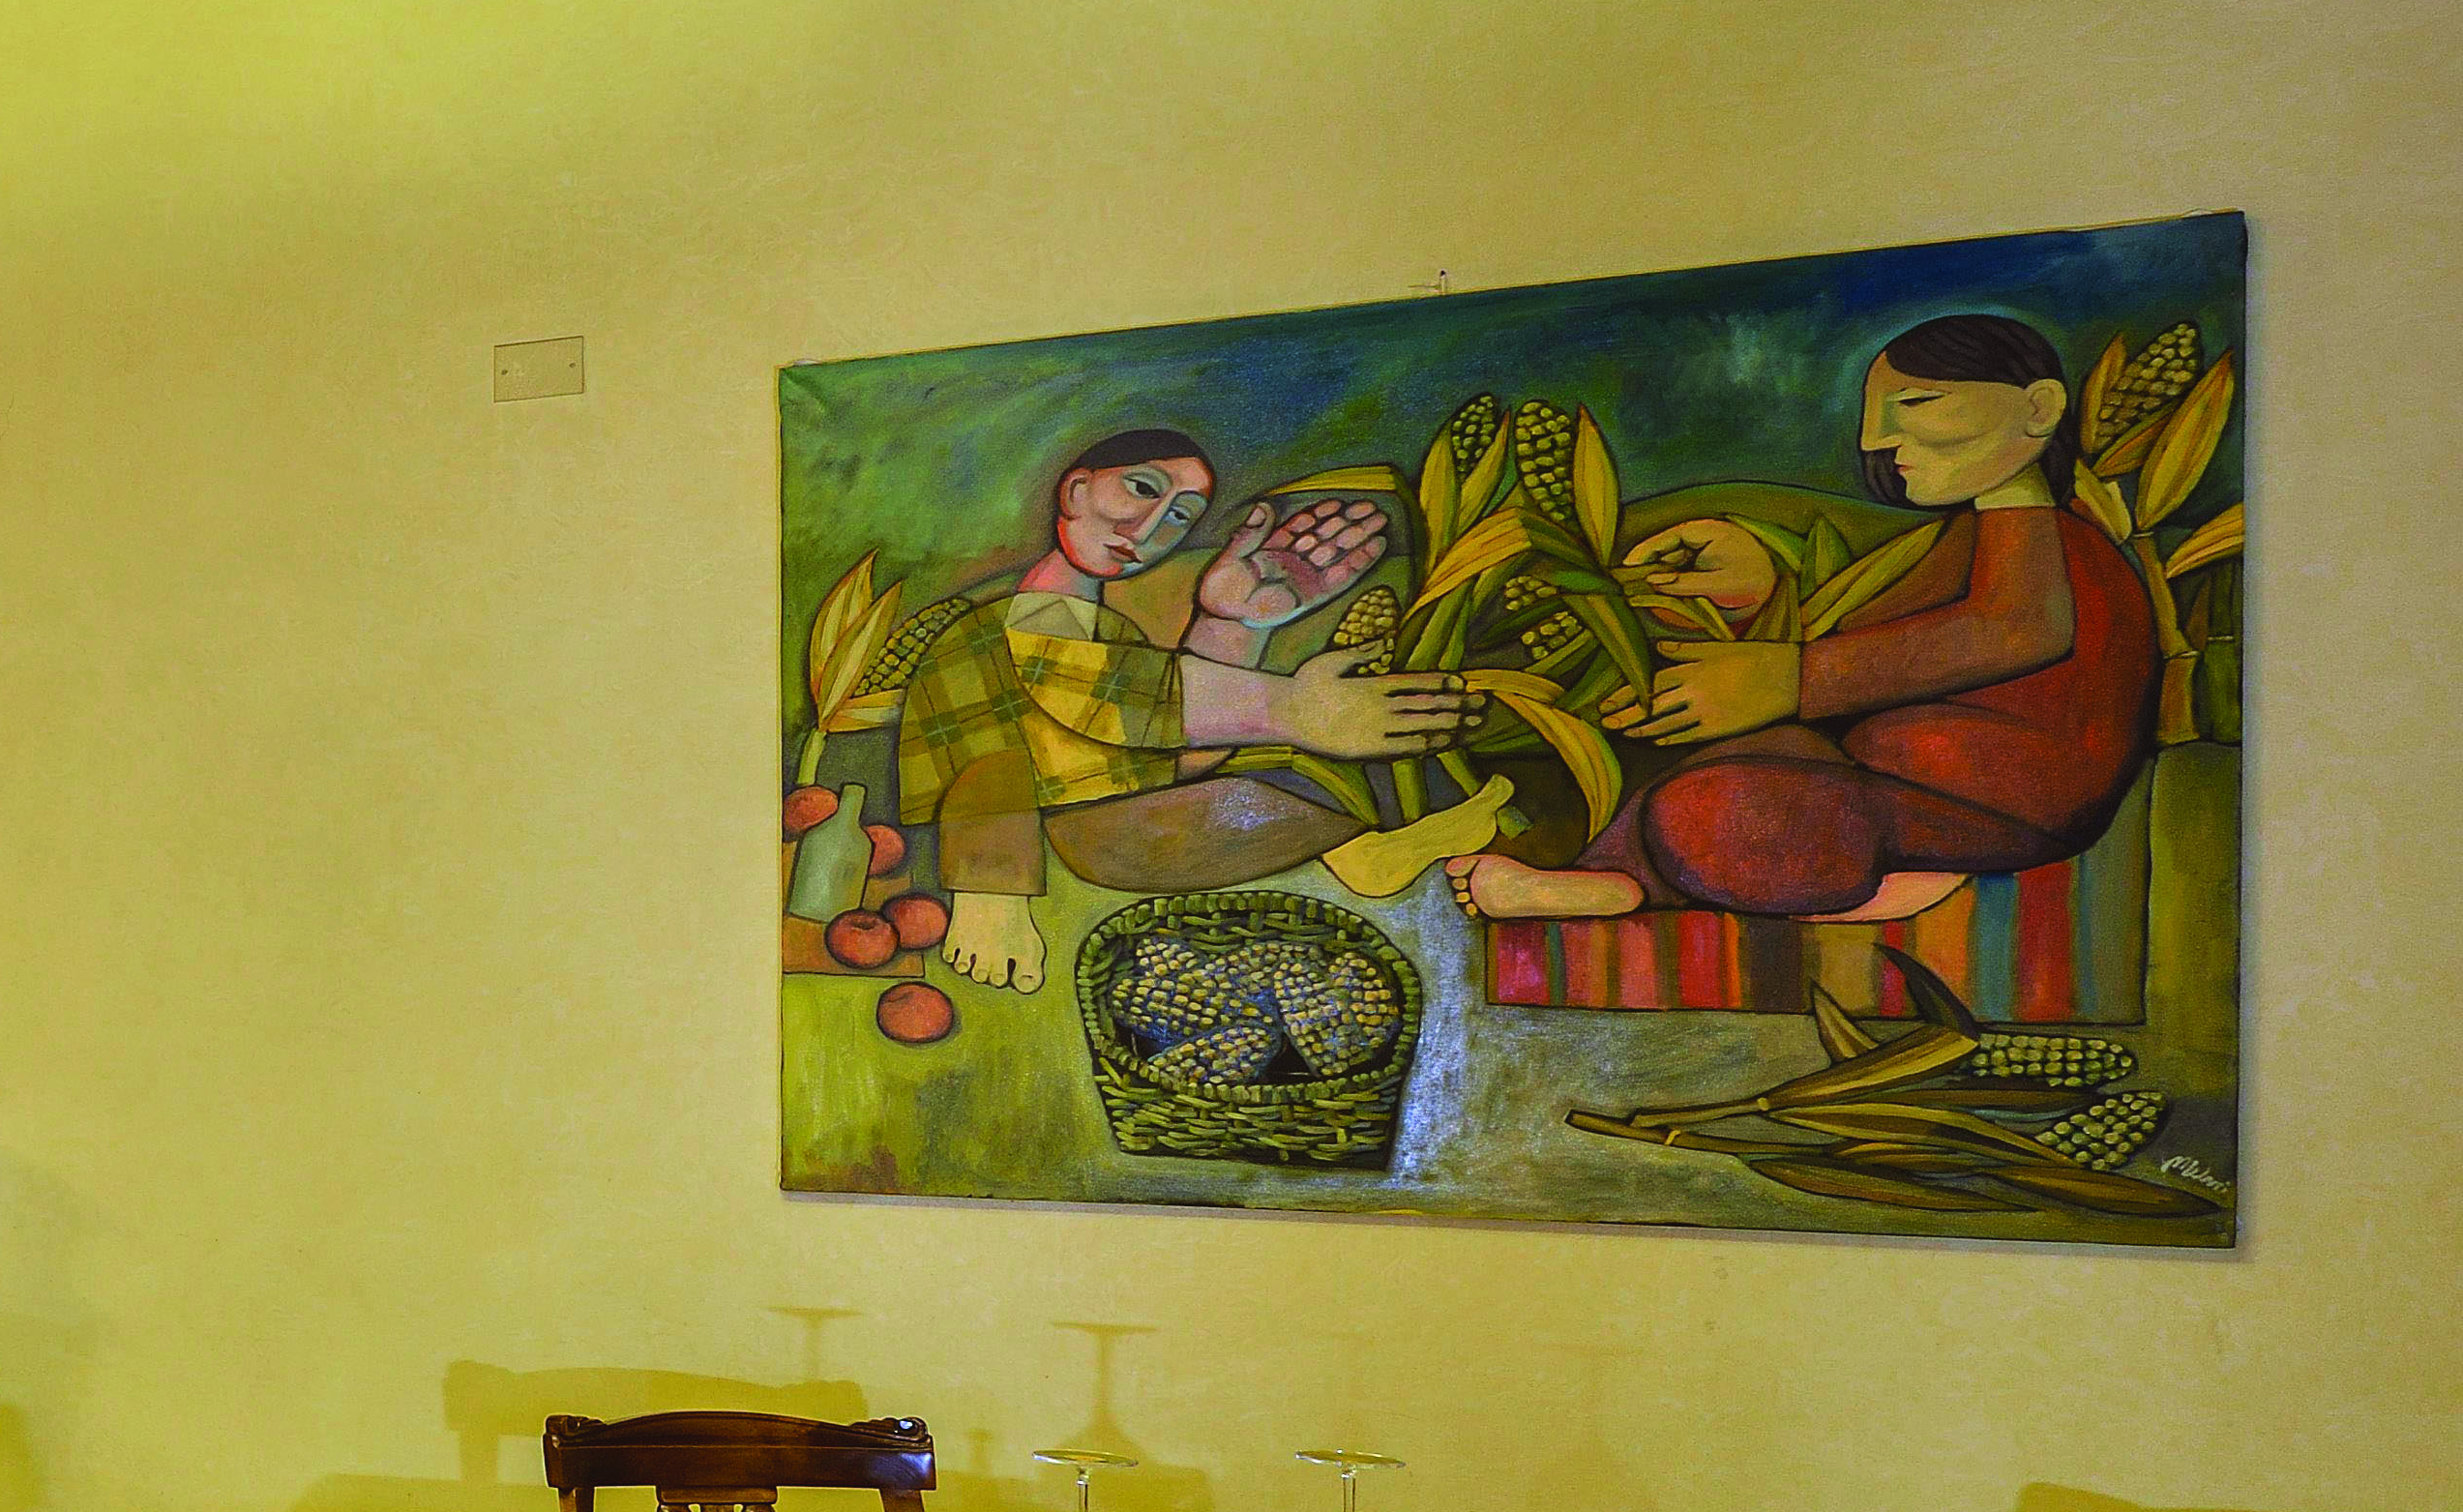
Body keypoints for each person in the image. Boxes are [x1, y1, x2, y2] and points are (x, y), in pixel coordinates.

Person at [1445, 313, 2158, 927]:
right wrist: (1760, 594)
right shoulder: (1971, 536)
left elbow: (2018, 630)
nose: (1878, 441)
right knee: (1747, 757)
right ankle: (1612, 874)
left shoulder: (2034, 531)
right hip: (1901, 767)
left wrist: (1796, 677)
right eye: (1876, 415)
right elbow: (1889, 632)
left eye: (1915, 402)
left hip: (1996, 795)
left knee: (1730, 810)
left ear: (2038, 409)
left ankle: (1663, 885)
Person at [911, 426, 1487, 993]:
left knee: (1232, 802)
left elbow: (1164, 753)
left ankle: (1363, 844)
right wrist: (1290, 708)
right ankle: (991, 897)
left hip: (1097, 821)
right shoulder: (1019, 623)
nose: (1151, 528)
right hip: (996, 813)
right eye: (1142, 488)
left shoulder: (1105, 631)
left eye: (1180, 516)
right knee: (1127, 830)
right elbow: (1085, 687)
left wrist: (1231, 623)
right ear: (1075, 492)